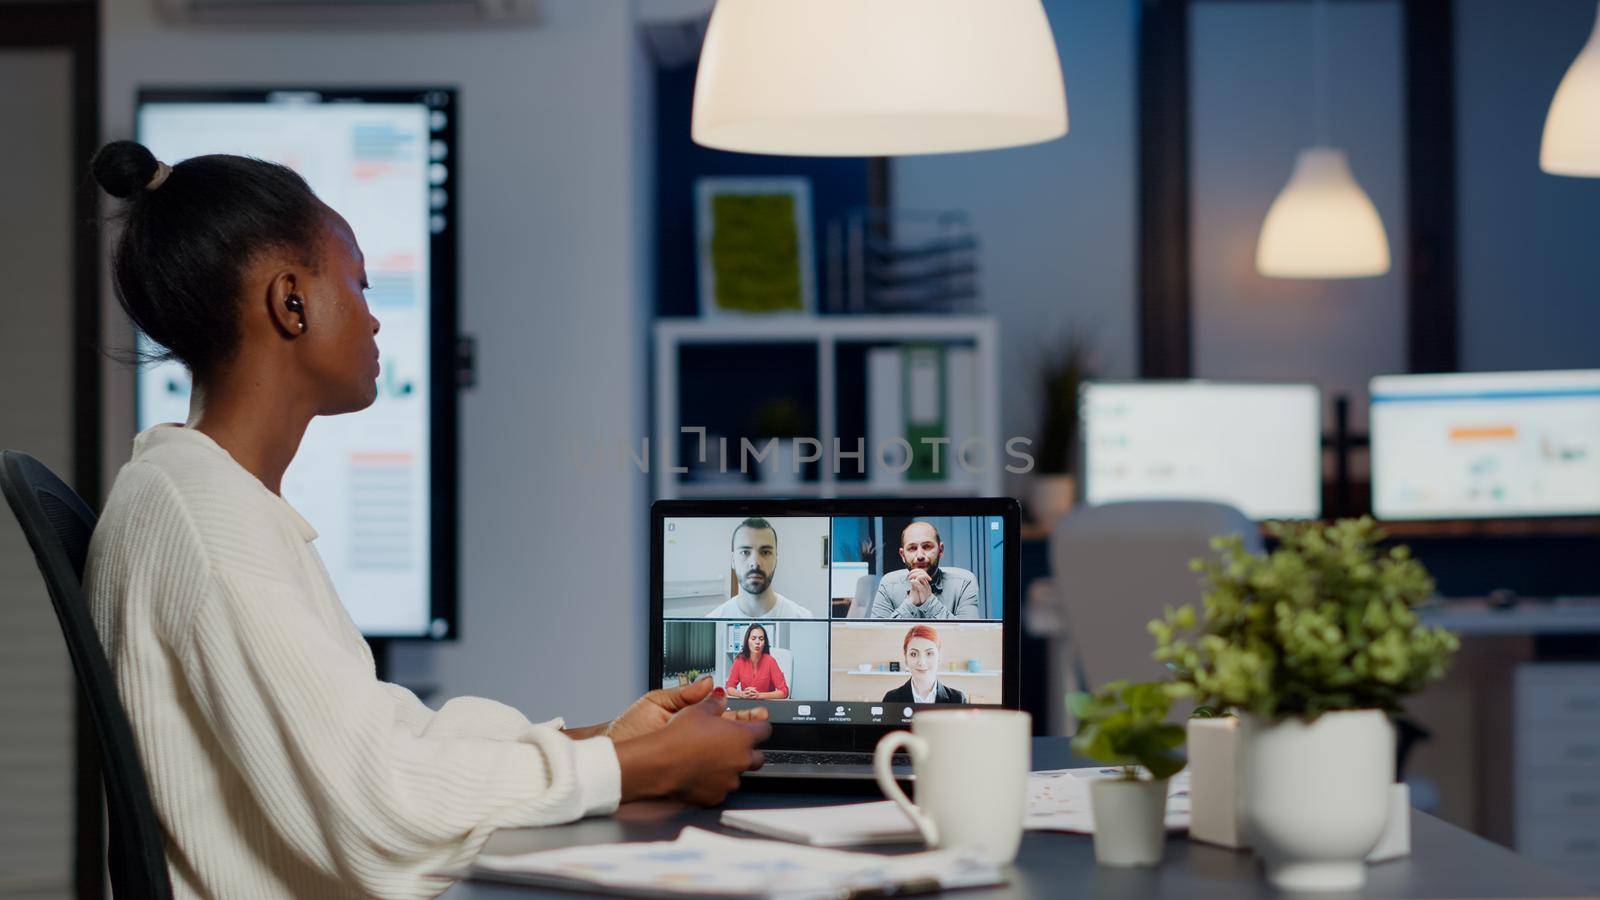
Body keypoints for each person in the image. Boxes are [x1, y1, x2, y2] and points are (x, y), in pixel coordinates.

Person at [82, 142, 770, 900]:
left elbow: (382, 737)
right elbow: (379, 803)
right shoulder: (209, 524)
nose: (375, 322)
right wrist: (644, 768)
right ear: (291, 301)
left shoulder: (198, 494)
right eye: (360, 285)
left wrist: (608, 738)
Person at [867, 521, 981, 619]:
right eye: (912, 548)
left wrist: (929, 601)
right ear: (902, 555)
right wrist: (910, 603)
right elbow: (880, 636)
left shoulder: (964, 583)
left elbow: (968, 636)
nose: (920, 555)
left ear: (940, 550)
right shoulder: (888, 585)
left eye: (927, 546)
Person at [704, 517, 813, 618]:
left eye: (765, 552)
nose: (755, 563)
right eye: (745, 552)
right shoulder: (713, 619)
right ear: (733, 560)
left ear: (776, 559)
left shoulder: (804, 618)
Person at [881, 625, 969, 705]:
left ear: (939, 657)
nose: (921, 662)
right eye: (914, 654)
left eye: (929, 653)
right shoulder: (891, 699)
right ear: (905, 658)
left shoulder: (957, 699)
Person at [723, 624, 789, 700]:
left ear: (764, 643)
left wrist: (759, 695)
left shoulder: (770, 661)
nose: (757, 642)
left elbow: (784, 691)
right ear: (747, 641)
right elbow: (729, 687)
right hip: (746, 707)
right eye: (753, 638)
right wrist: (742, 694)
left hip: (766, 707)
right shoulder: (739, 661)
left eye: (761, 639)